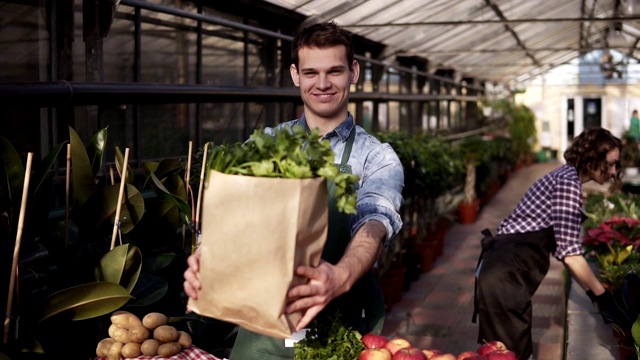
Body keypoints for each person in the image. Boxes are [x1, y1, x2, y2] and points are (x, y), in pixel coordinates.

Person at [183, 21, 404, 359]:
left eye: (335, 71)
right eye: (311, 72)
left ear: (354, 72)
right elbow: (234, 218)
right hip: (263, 330)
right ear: (295, 75)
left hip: (344, 328)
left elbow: (374, 223)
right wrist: (208, 259)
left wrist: (340, 275)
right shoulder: (267, 145)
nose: (323, 83)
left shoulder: (376, 156)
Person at [472, 127, 631, 360]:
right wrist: (604, 298)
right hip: (505, 275)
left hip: (504, 271)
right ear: (592, 157)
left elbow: (562, 246)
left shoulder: (565, 177)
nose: (613, 171)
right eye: (611, 163)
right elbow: (569, 252)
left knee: (508, 350)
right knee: (508, 352)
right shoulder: (568, 184)